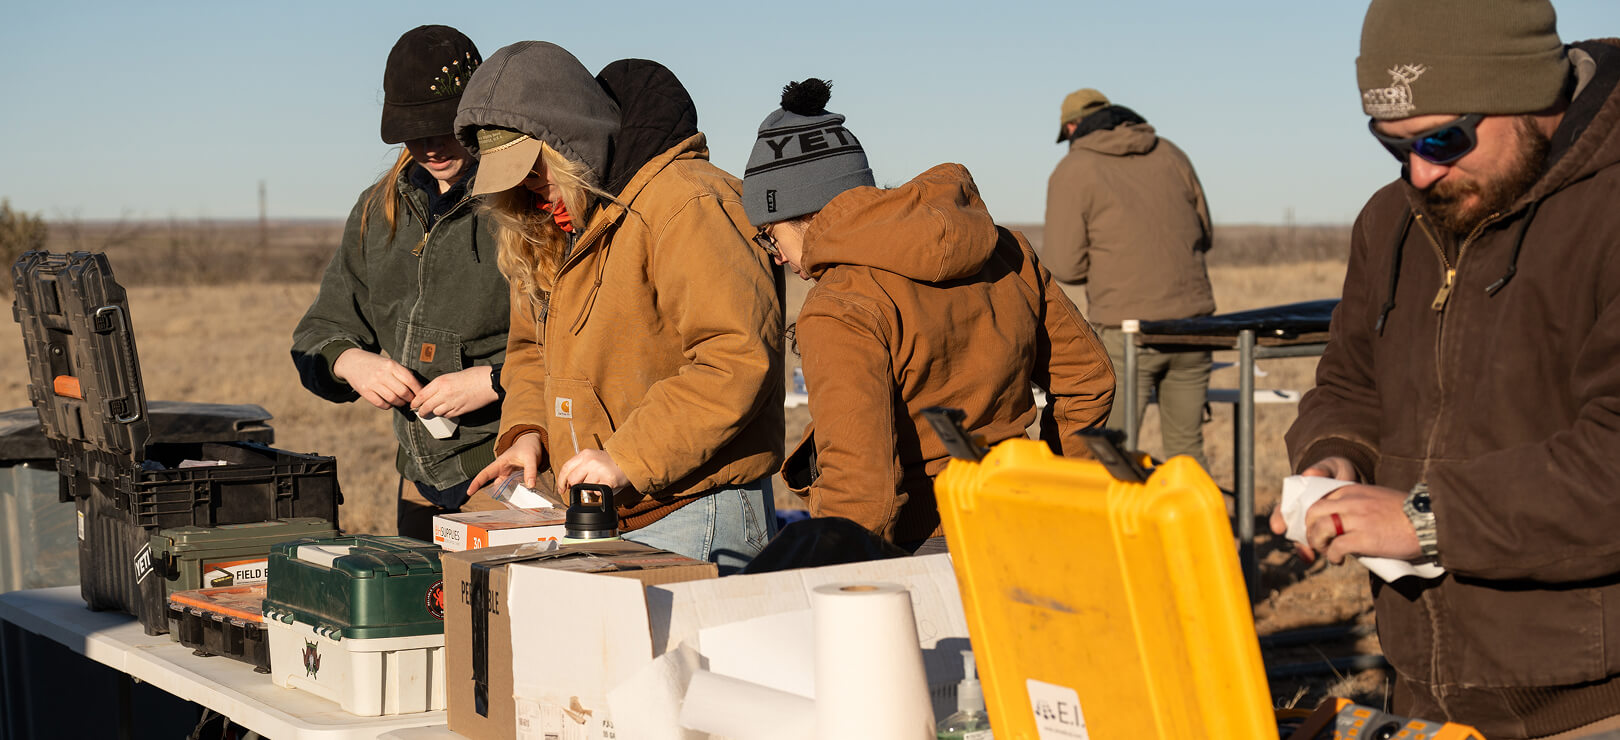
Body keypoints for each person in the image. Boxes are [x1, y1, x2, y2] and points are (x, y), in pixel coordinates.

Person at [1275, 1, 1620, 736]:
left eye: (1444, 137)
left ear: (1528, 91)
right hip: (1424, 691)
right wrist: (1334, 456)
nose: (1421, 171)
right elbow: (1348, 382)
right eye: (1391, 143)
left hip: (1592, 702)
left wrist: (1426, 521)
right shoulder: (1389, 219)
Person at [743, 79, 1115, 548]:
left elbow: (859, 493)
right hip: (1024, 525)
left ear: (802, 212)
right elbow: (1088, 379)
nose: (776, 255)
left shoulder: (840, 306)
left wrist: (839, 586)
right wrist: (1065, 493)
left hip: (924, 546)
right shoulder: (1007, 251)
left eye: (770, 235)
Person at [457, 43, 784, 573]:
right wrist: (527, 434)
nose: (526, 187)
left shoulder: (688, 203)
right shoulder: (546, 227)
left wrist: (627, 457)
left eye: (535, 169)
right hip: (603, 512)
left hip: (694, 511)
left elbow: (735, 359)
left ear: (570, 142)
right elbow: (527, 353)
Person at [291, 25, 509, 540]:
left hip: (509, 470)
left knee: (502, 616)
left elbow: (577, 350)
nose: (429, 148)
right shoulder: (377, 209)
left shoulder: (522, 204)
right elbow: (320, 330)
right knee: (424, 618)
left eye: (441, 129)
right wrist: (351, 362)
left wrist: (494, 381)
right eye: (413, 133)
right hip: (419, 477)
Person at [1042, 88, 1215, 469]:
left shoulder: (1075, 168)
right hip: (1197, 326)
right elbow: (1205, 233)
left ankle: (1118, 529)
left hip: (1127, 331)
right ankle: (1198, 526)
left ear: (1073, 126)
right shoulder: (1171, 152)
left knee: (1110, 453)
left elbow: (1064, 266)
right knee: (1188, 453)